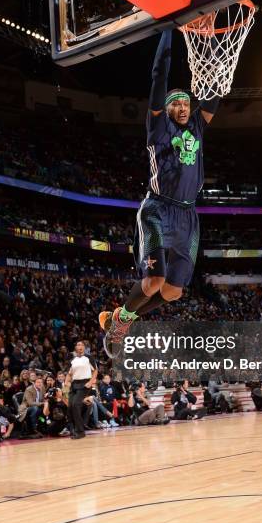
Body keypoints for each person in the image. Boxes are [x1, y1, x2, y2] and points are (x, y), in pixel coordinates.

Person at [99, 28, 220, 352]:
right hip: (157, 209)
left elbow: (213, 92)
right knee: (152, 282)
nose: (183, 106)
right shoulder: (158, 126)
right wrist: (170, 28)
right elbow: (158, 76)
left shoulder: (197, 125)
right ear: (166, 109)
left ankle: (127, 316)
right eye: (176, 103)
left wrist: (207, 38)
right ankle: (122, 320)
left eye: (186, 102)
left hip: (187, 215)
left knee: (172, 291)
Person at [67, 341, 96, 439]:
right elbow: (70, 373)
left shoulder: (89, 358)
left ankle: (80, 431)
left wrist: (91, 382)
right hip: (74, 384)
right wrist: (67, 383)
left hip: (84, 383)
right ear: (75, 347)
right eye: (78, 345)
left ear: (84, 347)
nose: (79, 346)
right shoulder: (73, 359)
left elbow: (95, 371)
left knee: (76, 404)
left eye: (81, 345)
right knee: (70, 406)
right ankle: (73, 429)